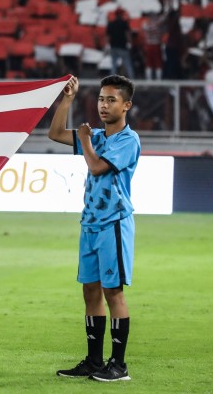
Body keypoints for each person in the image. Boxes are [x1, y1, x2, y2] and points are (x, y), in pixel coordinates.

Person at [48, 74, 141, 382]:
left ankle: (119, 365)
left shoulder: (128, 140)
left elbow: (98, 167)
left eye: (111, 100)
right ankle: (93, 360)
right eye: (101, 99)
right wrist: (68, 99)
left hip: (114, 224)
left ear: (126, 105)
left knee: (112, 292)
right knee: (90, 291)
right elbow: (55, 133)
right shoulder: (98, 136)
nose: (104, 105)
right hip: (90, 224)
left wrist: (86, 140)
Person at [106, 10, 135, 79]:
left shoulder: (111, 23)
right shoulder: (124, 23)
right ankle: (132, 79)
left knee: (114, 64)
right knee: (127, 63)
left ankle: (112, 80)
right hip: (122, 46)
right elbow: (127, 34)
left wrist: (107, 45)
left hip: (113, 46)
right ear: (121, 15)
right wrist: (130, 43)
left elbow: (108, 36)